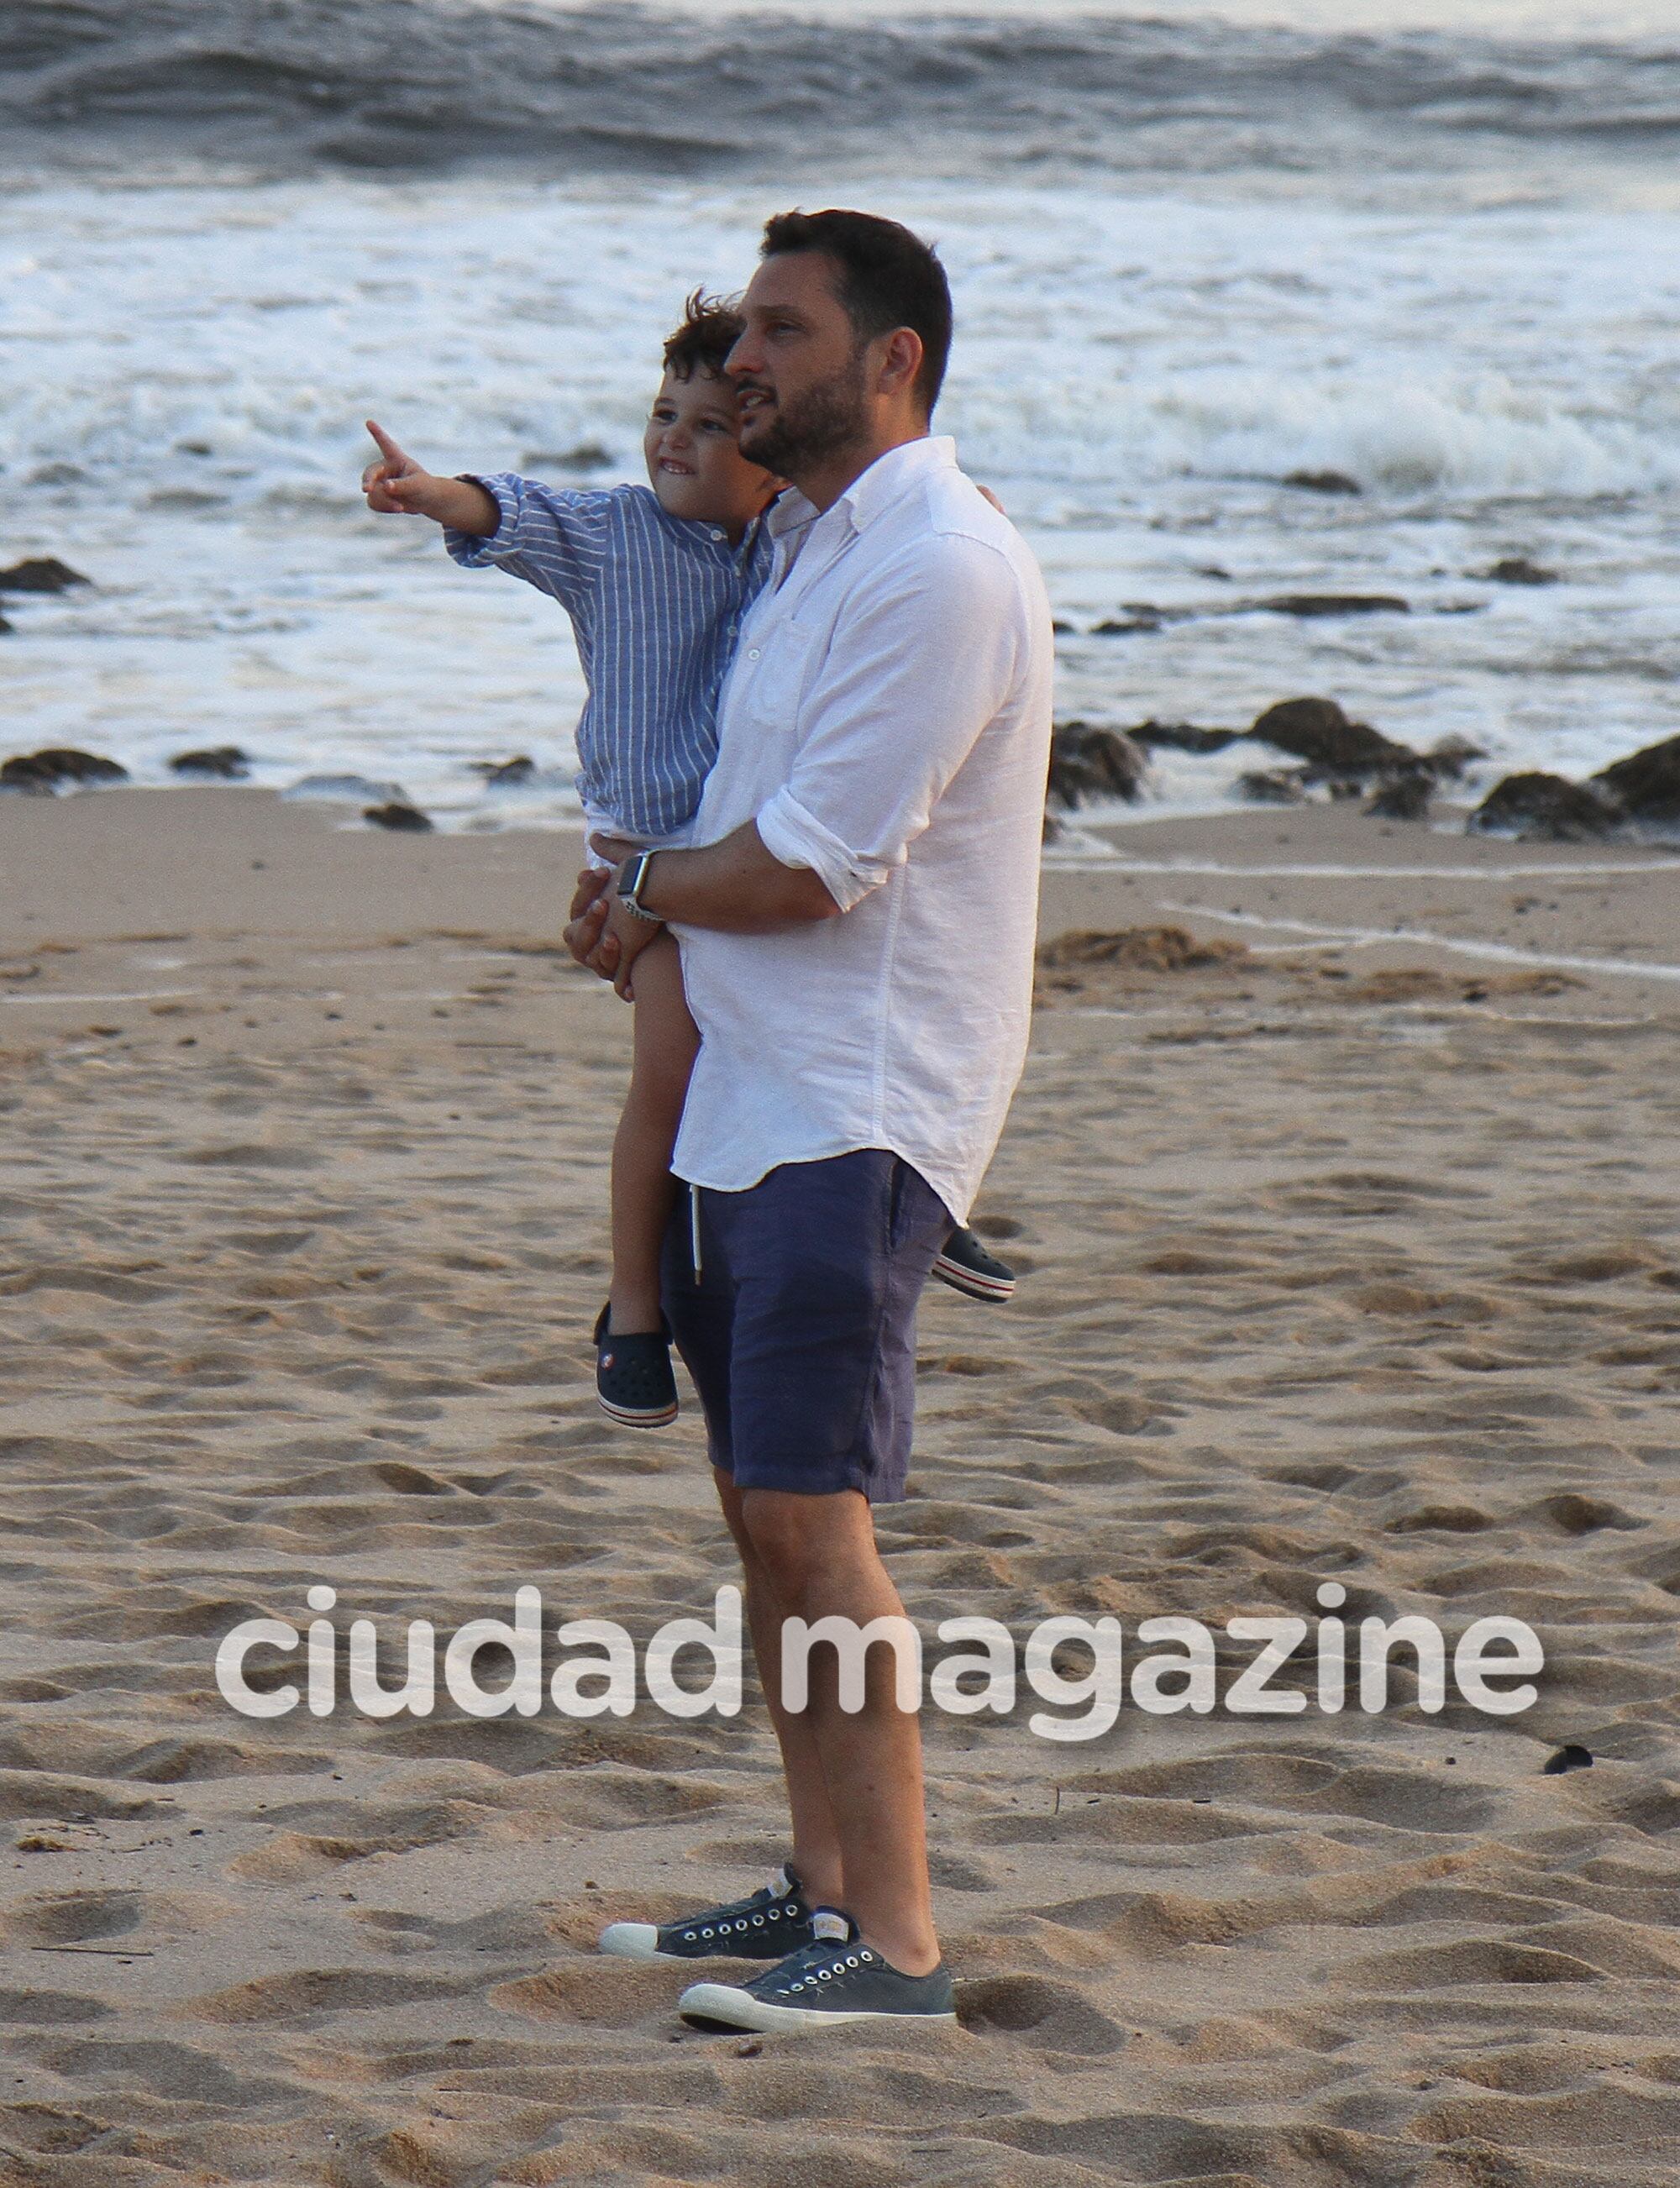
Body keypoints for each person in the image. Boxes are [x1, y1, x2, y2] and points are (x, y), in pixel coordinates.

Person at [572, 209, 1053, 2033]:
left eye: (781, 330)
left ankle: (902, 1948)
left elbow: (808, 868)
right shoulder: (799, 541)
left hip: (851, 1110)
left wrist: (644, 894)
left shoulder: (937, 564)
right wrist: (649, 895)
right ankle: (820, 1891)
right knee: (762, 1520)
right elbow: (728, 816)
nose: (745, 359)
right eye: (744, 330)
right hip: (743, 1100)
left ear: (893, 361)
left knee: (813, 1522)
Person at [360, 299, 1016, 1435]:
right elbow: (512, 512)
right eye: (664, 415)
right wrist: (431, 493)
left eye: (711, 426)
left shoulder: (788, 546)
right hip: (643, 856)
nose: (675, 439)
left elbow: (892, 526)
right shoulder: (617, 535)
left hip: (736, 854)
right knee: (666, 1074)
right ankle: (630, 1308)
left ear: (765, 463)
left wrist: (974, 509)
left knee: (760, 1050)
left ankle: (911, 1198)